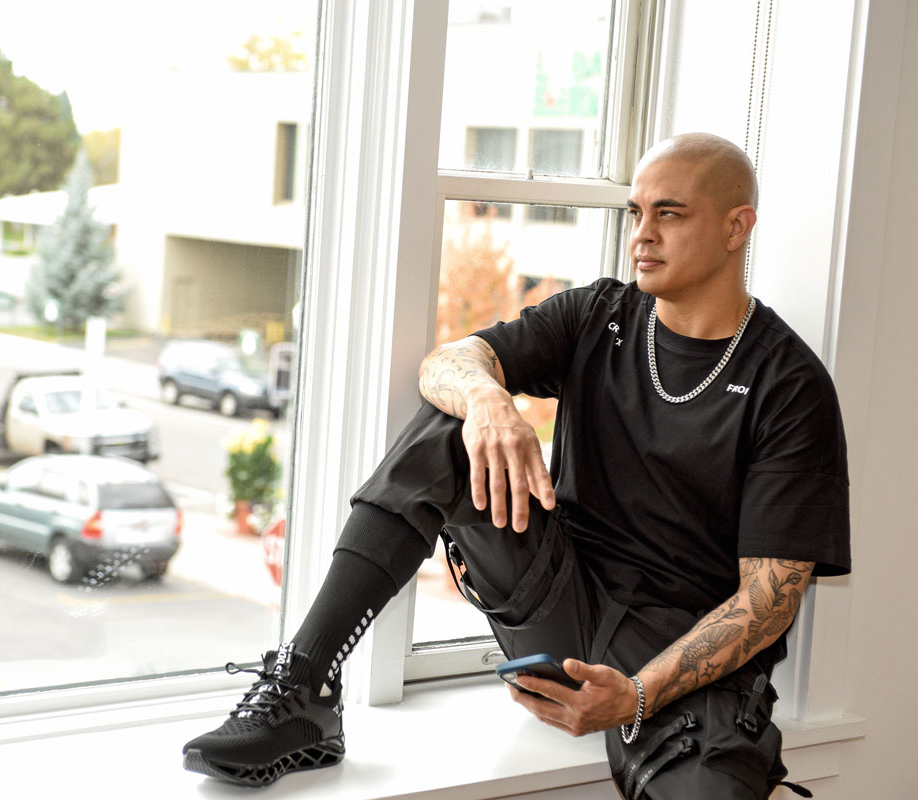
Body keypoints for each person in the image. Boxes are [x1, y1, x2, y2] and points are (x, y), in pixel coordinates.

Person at [182, 132, 851, 798]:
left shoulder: (788, 384)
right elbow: (446, 362)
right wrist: (486, 400)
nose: (642, 235)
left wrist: (639, 695)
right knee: (451, 420)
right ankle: (303, 691)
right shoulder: (600, 314)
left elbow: (768, 601)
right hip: (560, 597)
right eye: (635, 213)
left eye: (668, 214)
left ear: (738, 227)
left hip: (678, 654)